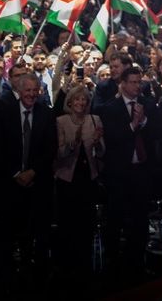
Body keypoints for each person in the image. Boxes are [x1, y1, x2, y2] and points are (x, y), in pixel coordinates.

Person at [0, 72, 56, 292]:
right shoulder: (4, 112)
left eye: (35, 90)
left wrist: (33, 172)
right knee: (6, 236)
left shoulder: (46, 113)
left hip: (37, 185)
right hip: (9, 185)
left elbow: (50, 148)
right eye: (28, 90)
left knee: (33, 236)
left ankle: (33, 279)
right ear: (19, 90)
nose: (32, 94)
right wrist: (16, 173)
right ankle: (6, 280)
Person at [99, 66, 157, 277]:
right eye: (133, 82)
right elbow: (112, 139)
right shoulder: (110, 108)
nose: (137, 86)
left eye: (139, 82)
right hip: (119, 173)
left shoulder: (148, 105)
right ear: (122, 84)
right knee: (116, 218)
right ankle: (113, 264)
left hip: (142, 171)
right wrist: (133, 124)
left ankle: (137, 262)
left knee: (140, 219)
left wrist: (144, 121)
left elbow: (157, 133)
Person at [53, 85, 104, 281]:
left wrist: (98, 142)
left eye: (84, 100)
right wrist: (72, 144)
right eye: (77, 99)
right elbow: (59, 154)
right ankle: (67, 265)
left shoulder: (95, 119)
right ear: (70, 102)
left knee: (86, 223)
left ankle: (85, 264)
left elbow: (102, 152)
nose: (81, 103)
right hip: (67, 179)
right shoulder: (61, 121)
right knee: (67, 223)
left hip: (88, 178)